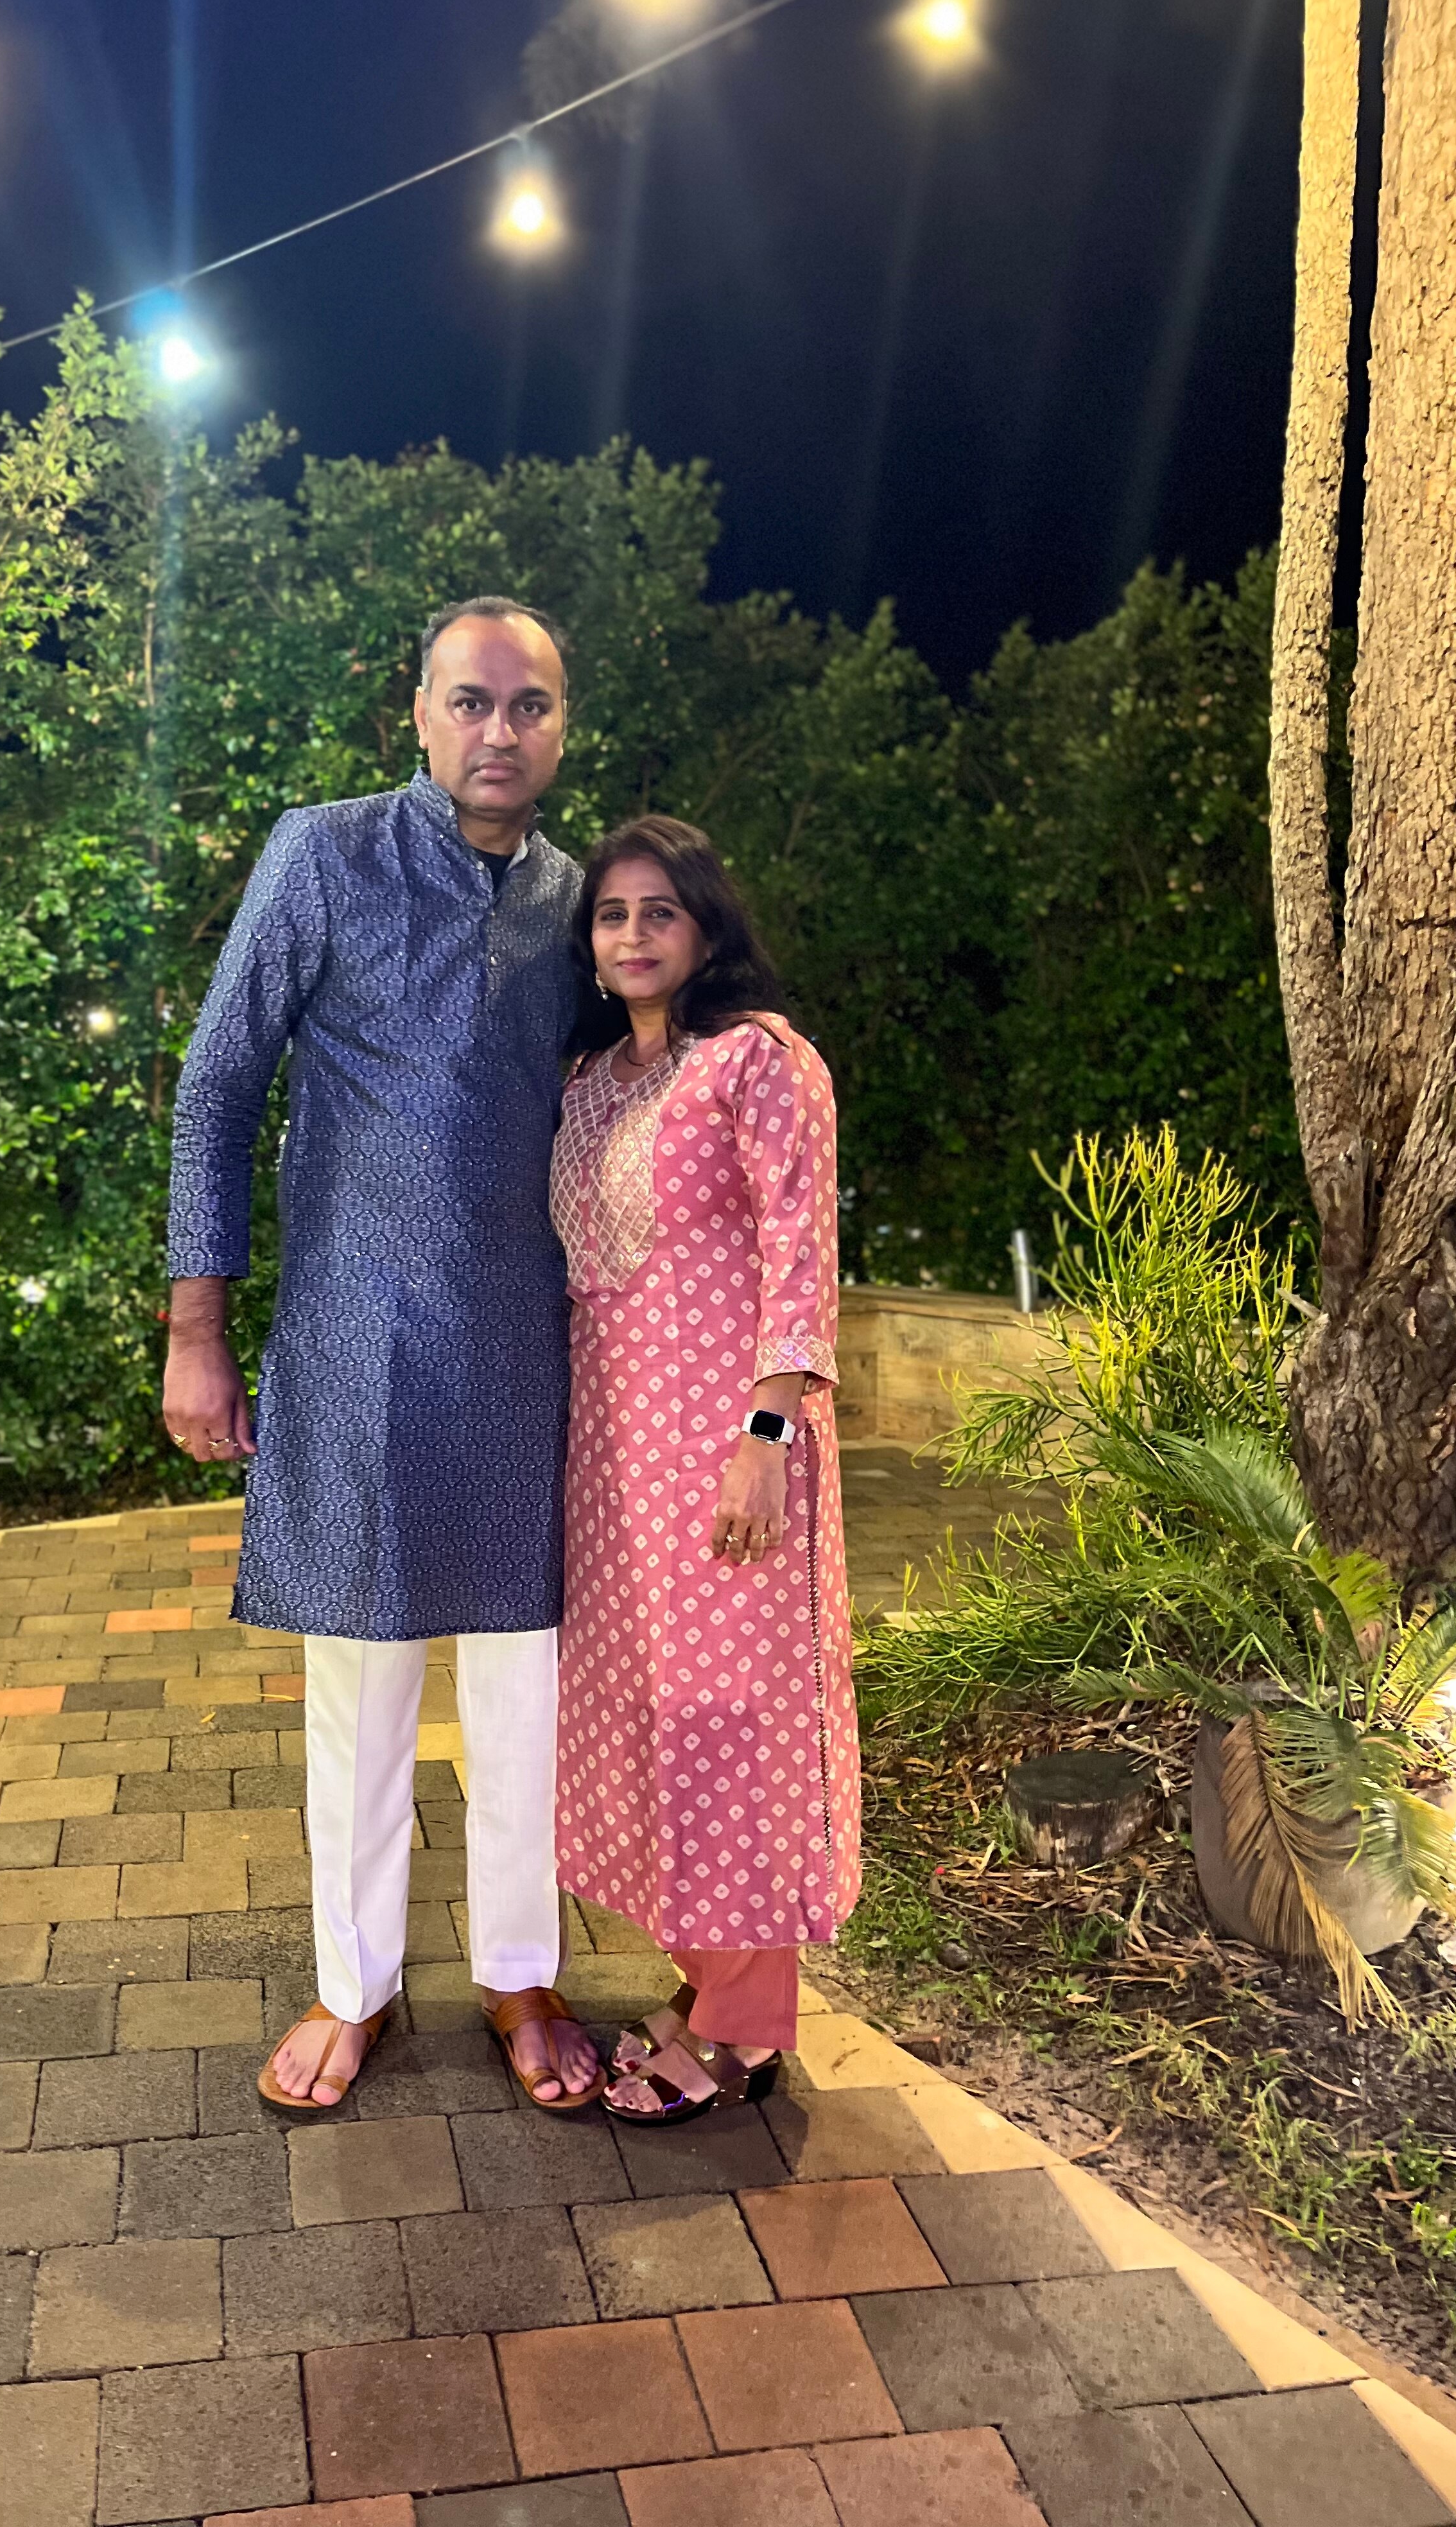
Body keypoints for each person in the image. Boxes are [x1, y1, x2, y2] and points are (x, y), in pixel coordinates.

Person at [164, 597, 600, 2113]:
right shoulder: (324, 855)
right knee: (358, 1687)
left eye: (529, 706)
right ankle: (352, 1987)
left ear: (562, 727)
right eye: (472, 701)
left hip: (528, 1345)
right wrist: (199, 1329)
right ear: (418, 713)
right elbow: (218, 1084)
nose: (500, 731)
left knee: (526, 1685)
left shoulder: (579, 902)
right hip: (352, 1339)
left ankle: (520, 1974)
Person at [550, 815, 860, 2121]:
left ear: (706, 926)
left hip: (731, 1449)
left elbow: (801, 1252)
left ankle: (743, 2029)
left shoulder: (759, 1063)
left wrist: (768, 1435)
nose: (631, 936)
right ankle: (706, 1977)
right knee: (651, 1722)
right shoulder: (591, 1079)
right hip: (614, 1460)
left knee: (736, 1722)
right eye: (611, 915)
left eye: (657, 912)